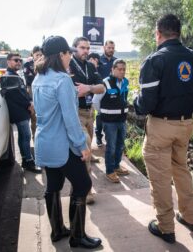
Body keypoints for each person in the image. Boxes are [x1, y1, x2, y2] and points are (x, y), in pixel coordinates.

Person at [133, 14, 193, 244]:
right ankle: (192, 217)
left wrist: (136, 99)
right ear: (179, 32)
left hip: (162, 126)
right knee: (181, 168)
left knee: (160, 178)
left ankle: (165, 227)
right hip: (186, 124)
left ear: (158, 33)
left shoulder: (155, 60)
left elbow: (146, 105)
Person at [32, 36, 102, 249]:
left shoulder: (38, 78)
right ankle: (77, 236)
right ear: (60, 55)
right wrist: (82, 145)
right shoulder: (62, 80)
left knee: (53, 185)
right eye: (68, 53)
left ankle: (58, 231)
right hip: (62, 143)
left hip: (44, 142)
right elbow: (71, 119)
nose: (70, 57)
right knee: (83, 184)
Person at [69, 37, 105, 205]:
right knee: (85, 150)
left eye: (87, 48)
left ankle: (78, 184)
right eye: (82, 47)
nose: (86, 51)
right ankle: (86, 190)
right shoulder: (68, 66)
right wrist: (78, 92)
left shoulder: (90, 66)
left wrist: (88, 88)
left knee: (84, 151)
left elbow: (102, 87)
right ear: (74, 48)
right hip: (75, 113)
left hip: (90, 113)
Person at [92, 59, 130, 183]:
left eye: (124, 69)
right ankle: (109, 171)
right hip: (110, 122)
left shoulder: (125, 82)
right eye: (119, 69)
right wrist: (103, 113)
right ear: (112, 69)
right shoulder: (105, 83)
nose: (122, 71)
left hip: (122, 120)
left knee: (120, 146)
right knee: (111, 147)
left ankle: (117, 166)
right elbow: (95, 102)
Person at [5, 53, 42, 174]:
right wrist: (29, 104)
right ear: (8, 62)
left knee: (23, 137)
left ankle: (26, 160)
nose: (19, 62)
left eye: (20, 60)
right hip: (19, 112)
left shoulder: (14, 75)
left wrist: (29, 102)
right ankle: (29, 162)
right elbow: (17, 96)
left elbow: (23, 92)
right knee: (25, 136)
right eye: (16, 60)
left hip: (22, 111)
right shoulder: (9, 76)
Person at [95, 40, 117, 147]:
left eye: (113, 48)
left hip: (113, 92)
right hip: (102, 91)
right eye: (109, 48)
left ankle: (110, 138)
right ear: (104, 48)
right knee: (100, 115)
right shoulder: (99, 60)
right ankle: (98, 136)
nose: (111, 50)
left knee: (111, 115)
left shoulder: (116, 61)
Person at [23, 46, 43, 141]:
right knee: (34, 118)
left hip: (43, 91)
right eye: (37, 55)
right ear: (33, 55)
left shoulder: (46, 64)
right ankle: (35, 139)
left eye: (40, 54)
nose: (39, 56)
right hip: (32, 91)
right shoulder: (28, 64)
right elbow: (29, 80)